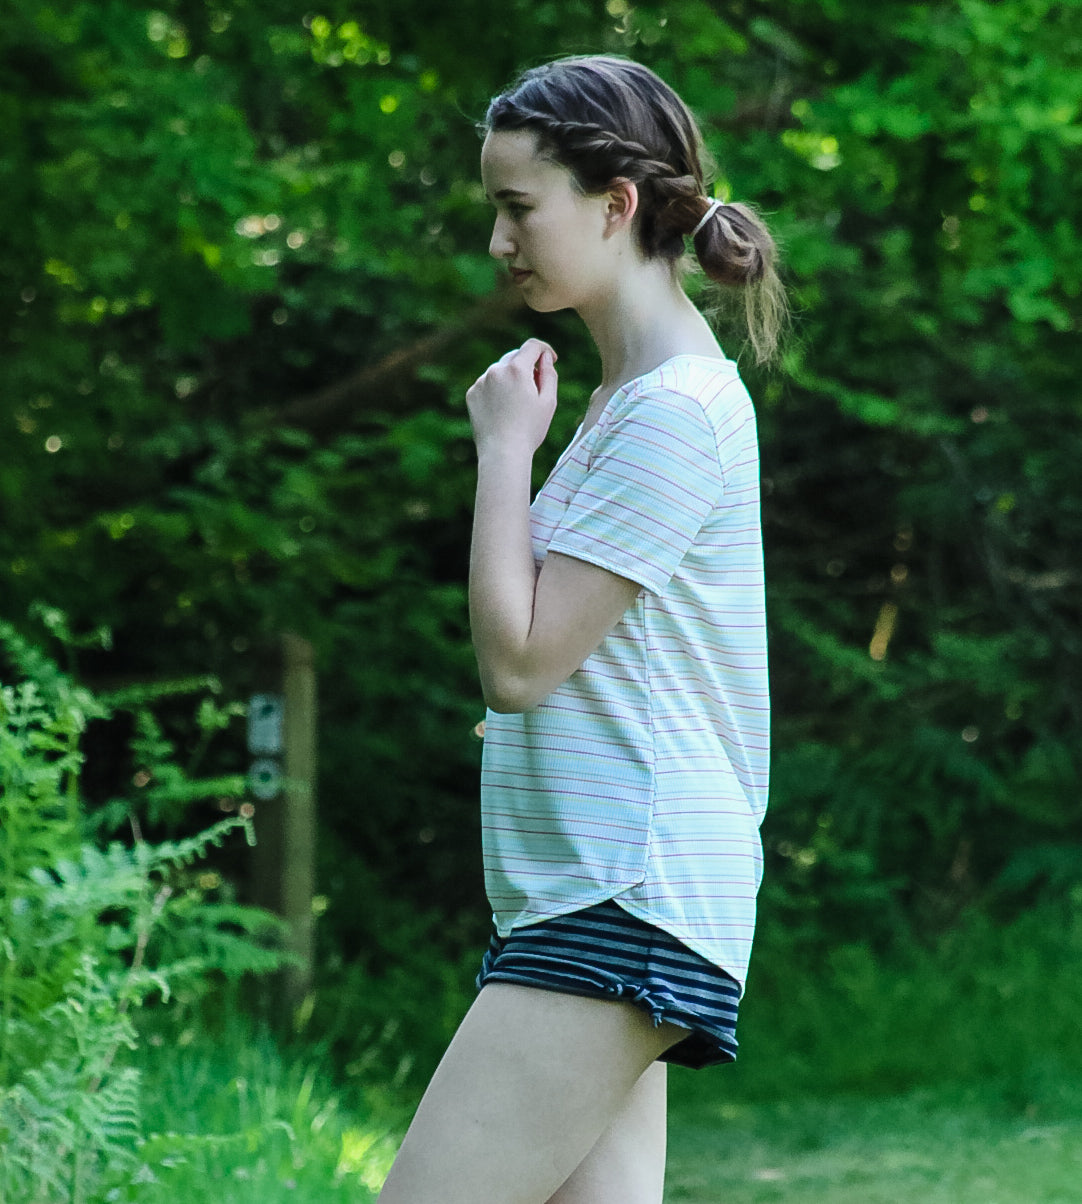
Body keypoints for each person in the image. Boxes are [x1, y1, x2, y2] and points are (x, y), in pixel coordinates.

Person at [377, 54, 785, 1204]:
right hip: (599, 887)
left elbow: (518, 663)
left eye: (518, 207)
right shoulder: (628, 402)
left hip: (621, 890)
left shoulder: (669, 414)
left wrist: (502, 451)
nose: (497, 240)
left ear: (613, 204)